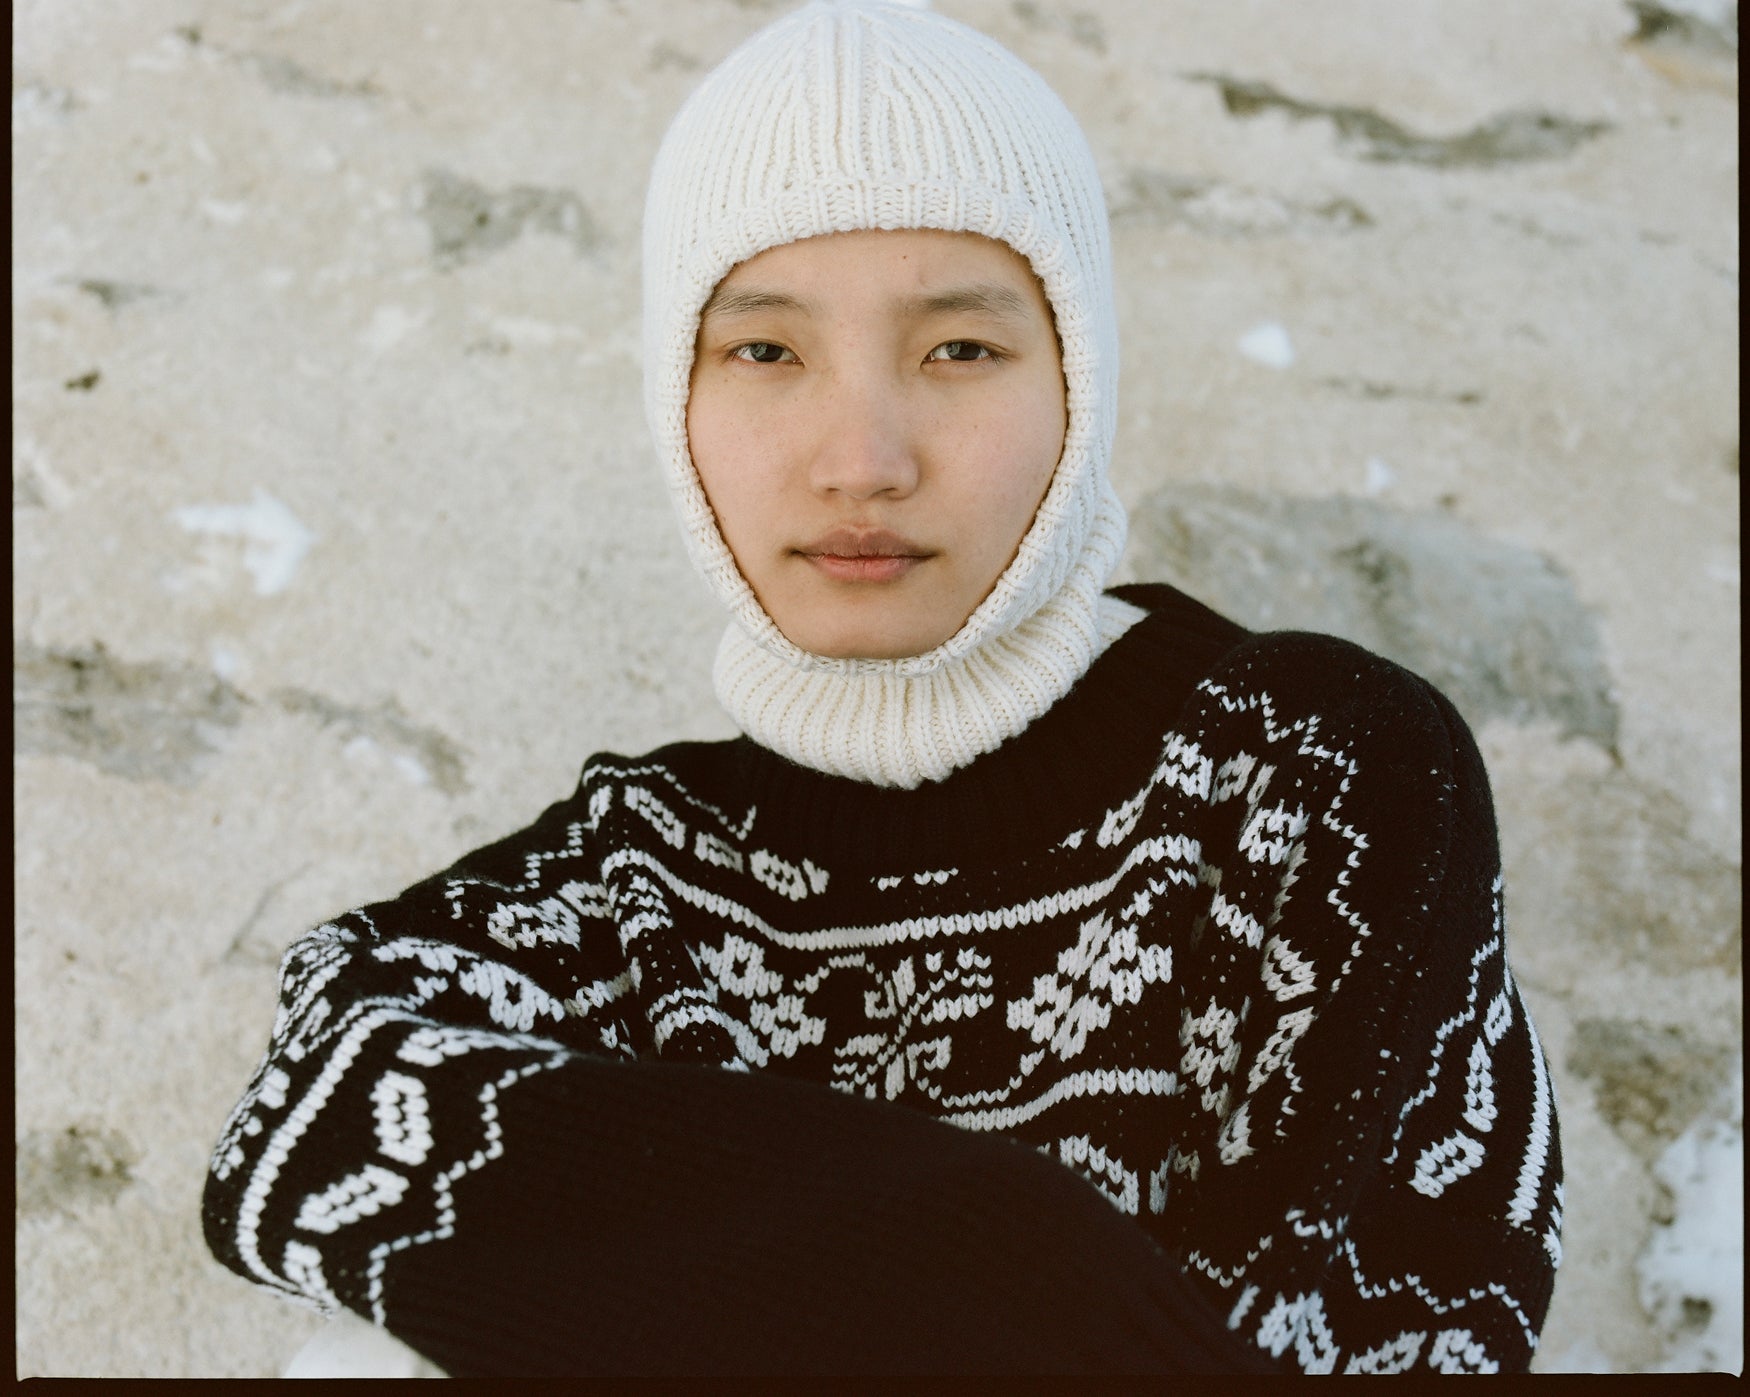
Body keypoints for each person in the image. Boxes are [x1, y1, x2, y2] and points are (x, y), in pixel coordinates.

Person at [203, 0, 1563, 1375]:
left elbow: (1401, 1327)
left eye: (957, 349)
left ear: (1077, 382)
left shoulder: (1309, 780)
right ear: (671, 399)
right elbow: (309, 1115)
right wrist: (974, 1245)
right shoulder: (639, 874)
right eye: (766, 350)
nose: (860, 457)